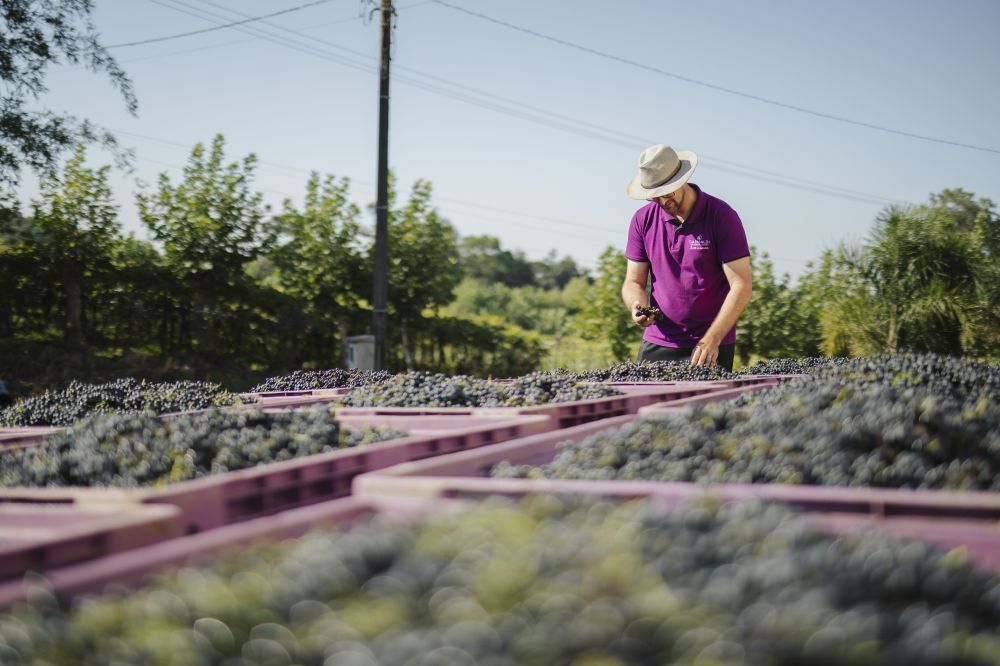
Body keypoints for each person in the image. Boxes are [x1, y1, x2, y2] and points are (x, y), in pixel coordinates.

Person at [621, 144, 752, 371]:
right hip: (658, 340)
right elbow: (633, 282)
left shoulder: (721, 217)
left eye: (666, 192)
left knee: (703, 407)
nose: (662, 202)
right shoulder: (642, 220)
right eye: (654, 196)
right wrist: (637, 306)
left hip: (709, 346)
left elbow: (741, 284)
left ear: (681, 180)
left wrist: (713, 339)